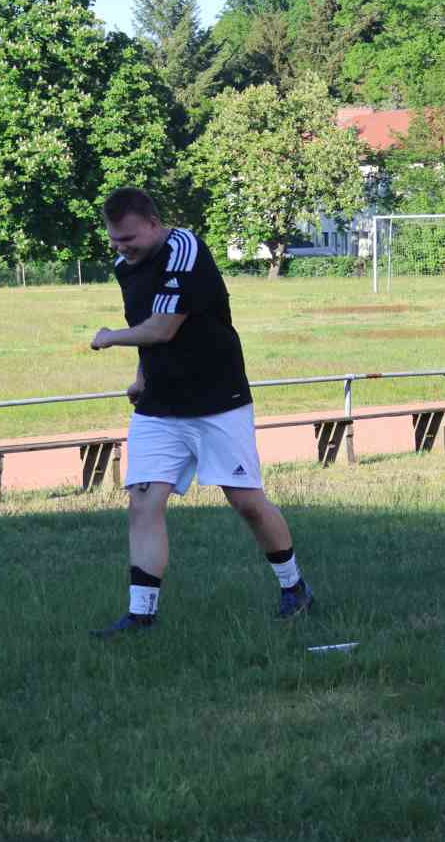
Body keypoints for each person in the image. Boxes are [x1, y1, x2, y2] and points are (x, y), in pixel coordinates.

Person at [88, 187, 315, 638]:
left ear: (153, 223)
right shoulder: (124, 266)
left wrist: (110, 337)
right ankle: (141, 616)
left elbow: (162, 327)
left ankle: (295, 589)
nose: (120, 248)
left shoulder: (185, 251)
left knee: (246, 503)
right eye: (114, 240)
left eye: (128, 238)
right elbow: (145, 325)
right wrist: (140, 376)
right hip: (159, 406)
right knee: (142, 502)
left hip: (217, 401)